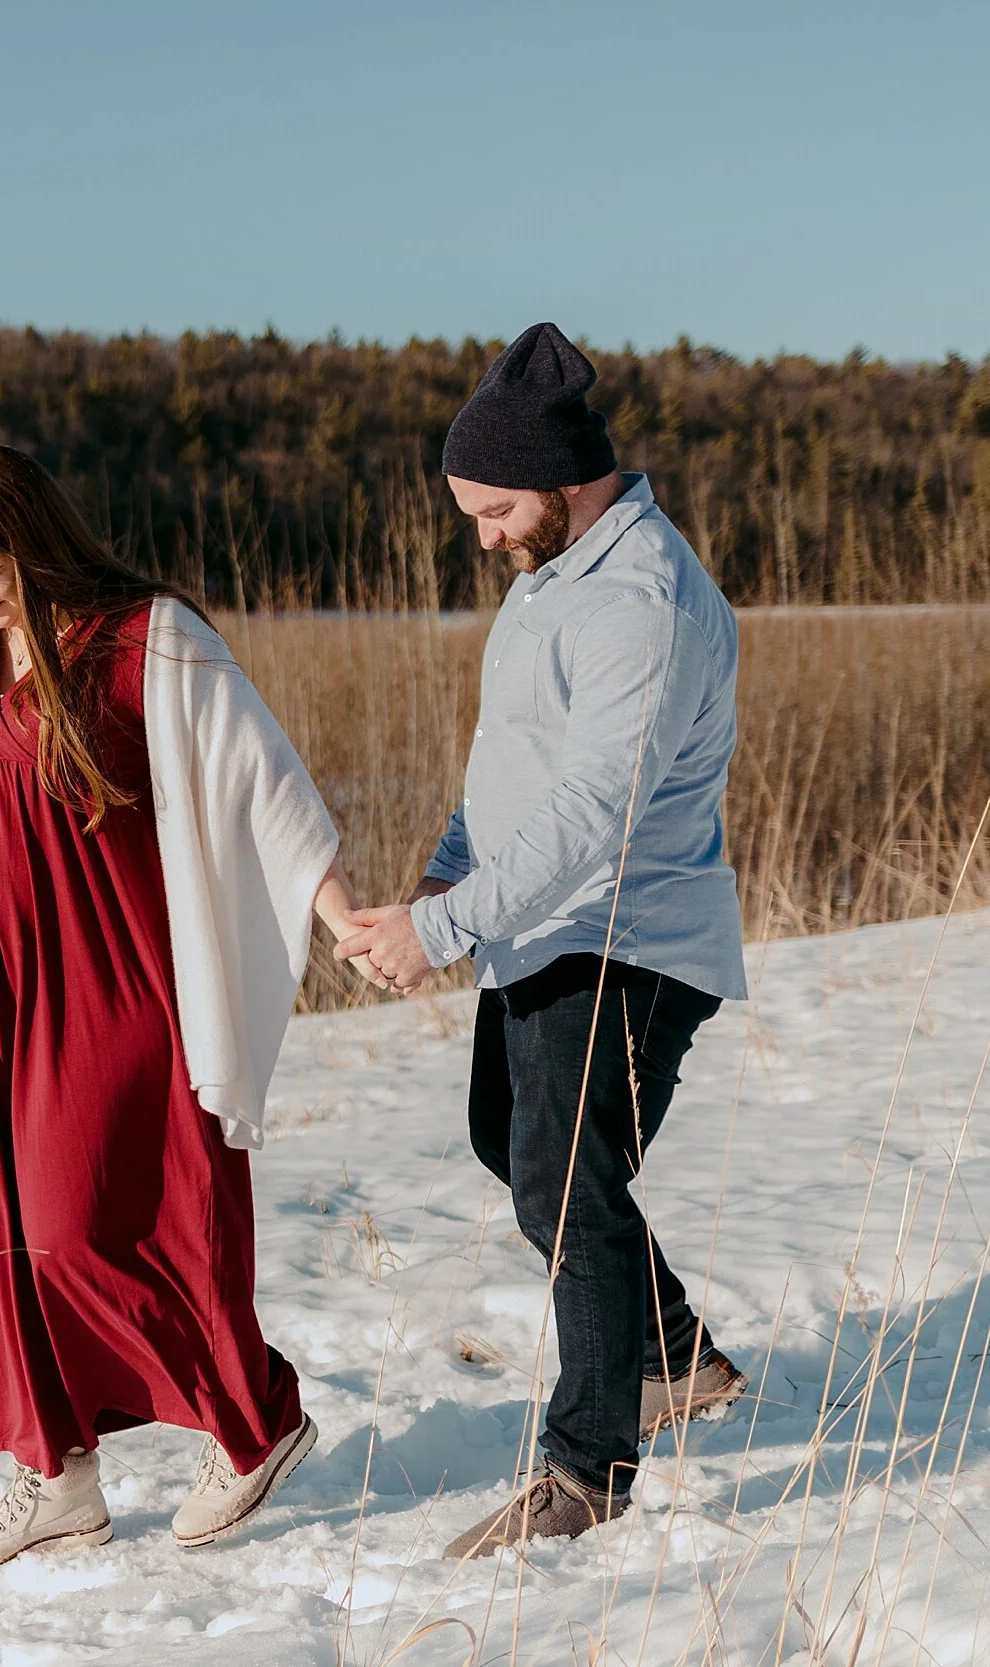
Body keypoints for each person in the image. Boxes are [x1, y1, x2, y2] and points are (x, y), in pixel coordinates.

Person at [0, 443, 367, 1575]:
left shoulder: (145, 642)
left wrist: (340, 915)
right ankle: (54, 1474)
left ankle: (256, 1421)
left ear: (38, 550)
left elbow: (264, 782)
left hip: (112, 987)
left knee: (92, 1221)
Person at [335, 323, 752, 1559]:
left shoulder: (641, 602)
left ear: (563, 480)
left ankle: (586, 1467)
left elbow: (592, 812)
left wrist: (443, 929)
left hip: (628, 935)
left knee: (564, 1182)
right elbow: (511, 761)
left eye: (495, 510)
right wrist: (444, 870)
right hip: (542, 925)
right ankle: (669, 1355)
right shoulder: (551, 577)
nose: (483, 536)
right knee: (513, 1145)